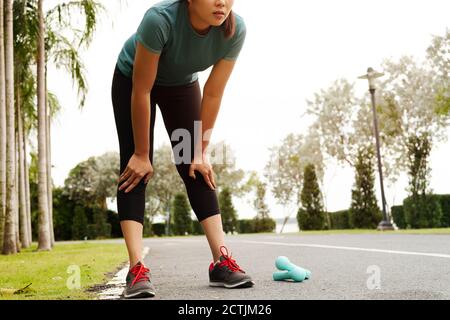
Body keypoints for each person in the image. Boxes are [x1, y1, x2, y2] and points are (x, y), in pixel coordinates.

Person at [111, 0, 253, 299]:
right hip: (134, 82)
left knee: (194, 164)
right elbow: (143, 90)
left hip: (182, 85)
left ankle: (221, 260)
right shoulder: (159, 20)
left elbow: (213, 93)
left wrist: (200, 151)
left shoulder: (235, 29)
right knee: (135, 167)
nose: (222, 2)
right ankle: (136, 268)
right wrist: (141, 153)